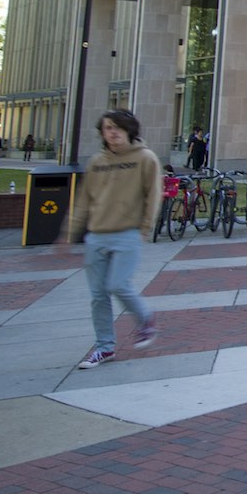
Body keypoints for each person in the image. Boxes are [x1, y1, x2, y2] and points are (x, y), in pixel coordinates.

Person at [66, 110, 163, 369]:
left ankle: (146, 319)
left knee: (118, 284)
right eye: (108, 127)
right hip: (97, 236)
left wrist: (145, 229)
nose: (113, 132)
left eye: (118, 127)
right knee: (98, 296)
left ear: (130, 130)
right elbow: (85, 199)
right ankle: (104, 348)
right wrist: (71, 230)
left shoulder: (145, 159)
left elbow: (154, 195)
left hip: (128, 234)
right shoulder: (97, 161)